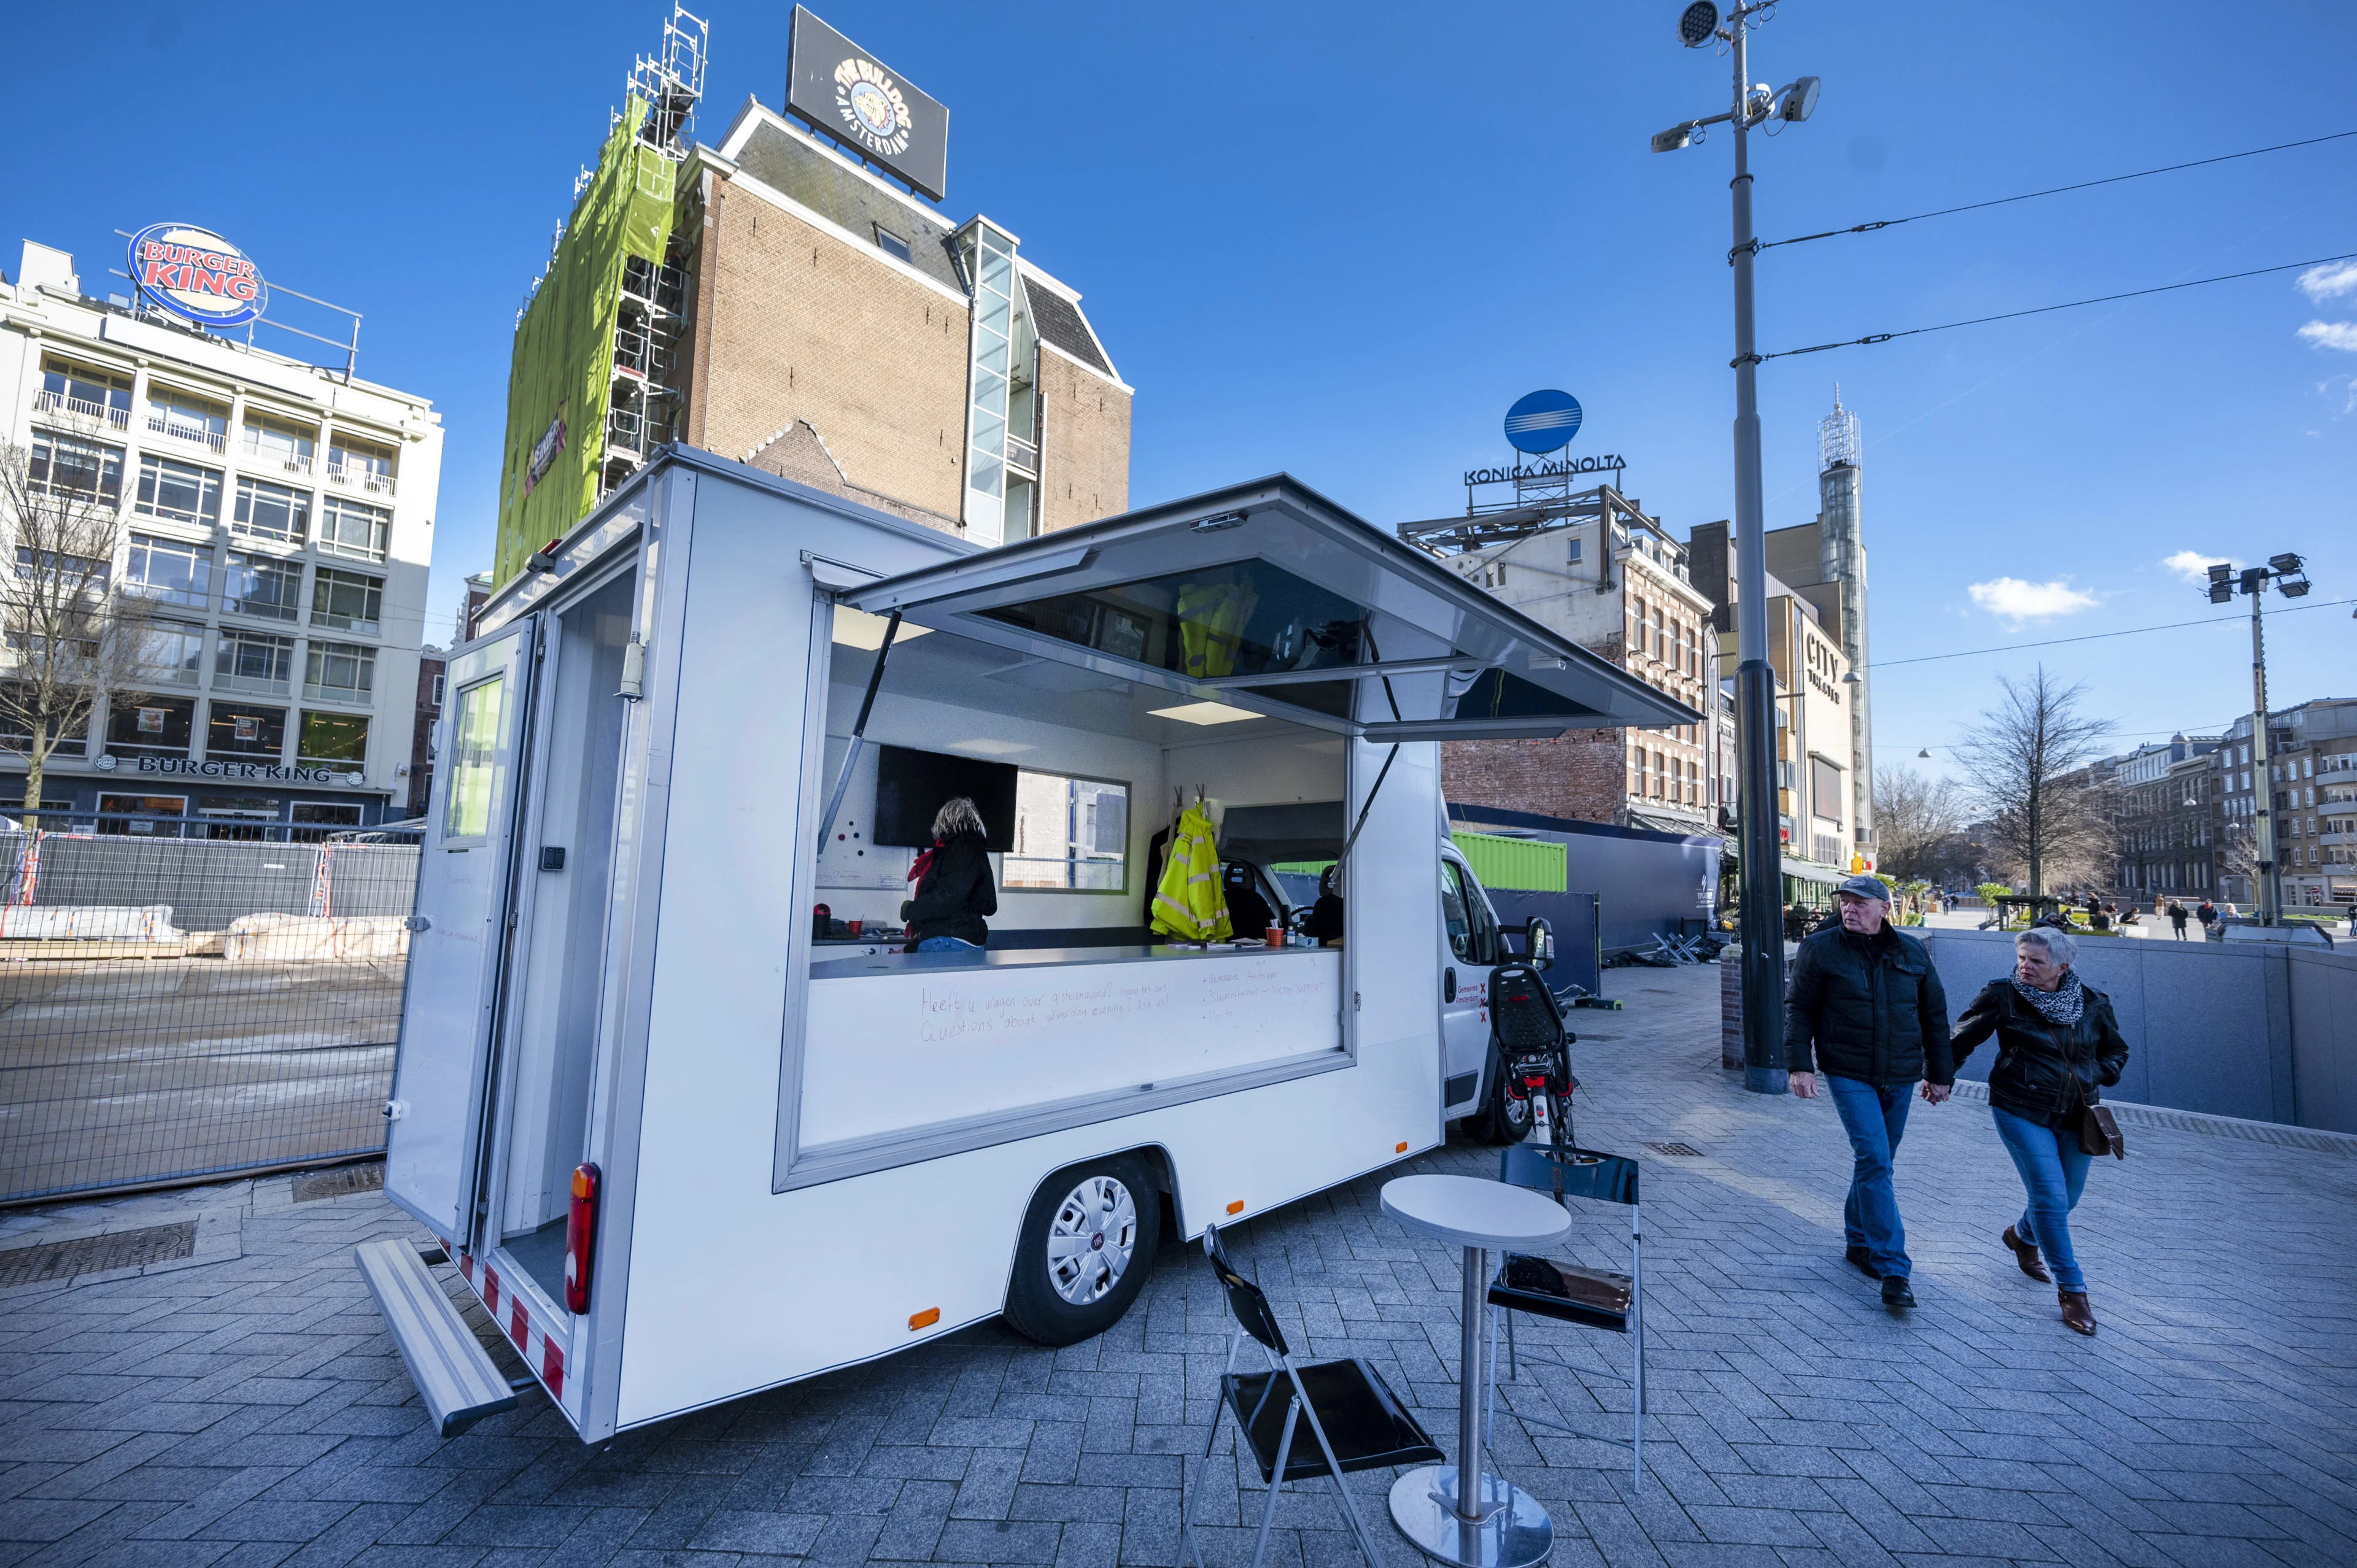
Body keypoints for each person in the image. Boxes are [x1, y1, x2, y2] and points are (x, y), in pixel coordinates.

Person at [1783, 873, 1955, 1311]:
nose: (1849, 908)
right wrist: (1800, 1065)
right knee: (1875, 1159)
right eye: (1845, 902)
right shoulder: (1820, 949)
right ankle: (1894, 1267)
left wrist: (1940, 1074)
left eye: (1860, 902)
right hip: (1847, 1070)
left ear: (1885, 907)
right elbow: (1799, 1008)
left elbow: (1935, 1016)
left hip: (1899, 1072)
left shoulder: (1911, 951)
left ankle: (1858, 1240)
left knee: (1878, 1161)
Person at [1950, 928, 2130, 1337]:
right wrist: (1939, 1076)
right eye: (2022, 957)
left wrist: (2093, 1072)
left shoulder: (2093, 1003)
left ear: (2063, 968)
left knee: (2068, 1197)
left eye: (2036, 961)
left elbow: (2116, 1051)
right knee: (2049, 1195)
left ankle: (2021, 1235)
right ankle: (2073, 1289)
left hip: (2076, 1114)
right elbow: (1961, 1038)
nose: (2025, 966)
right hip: (2020, 1107)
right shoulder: (2002, 994)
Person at [901, 797, 997, 951]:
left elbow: (949, 898)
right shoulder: (973, 849)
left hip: (949, 943)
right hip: (962, 940)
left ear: (945, 820)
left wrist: (910, 910)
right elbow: (988, 905)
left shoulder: (962, 848)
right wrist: (909, 950)